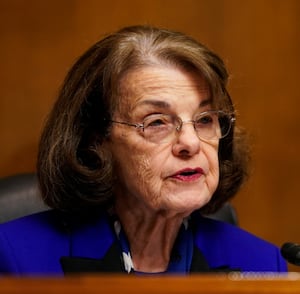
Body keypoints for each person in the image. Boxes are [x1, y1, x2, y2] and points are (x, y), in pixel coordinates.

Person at [0, 25, 287, 275]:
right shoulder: (16, 260)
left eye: (204, 120)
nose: (191, 143)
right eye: (157, 122)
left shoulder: (261, 263)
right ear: (96, 140)